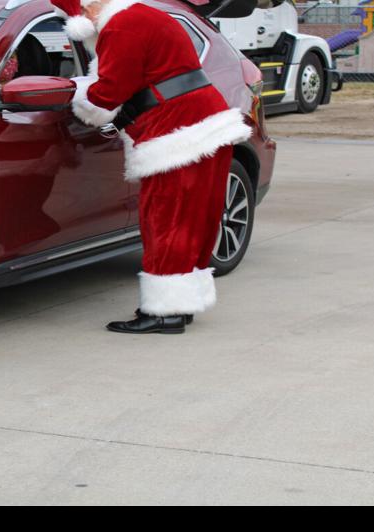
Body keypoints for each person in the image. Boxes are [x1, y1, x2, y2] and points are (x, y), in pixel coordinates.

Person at [55, 0, 253, 334]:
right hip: (203, 127)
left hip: (176, 136)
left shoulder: (120, 25)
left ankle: (165, 313)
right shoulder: (147, 16)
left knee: (165, 220)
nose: (81, 21)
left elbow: (109, 92)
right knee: (193, 223)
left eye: (78, 14)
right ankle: (181, 304)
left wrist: (77, 95)